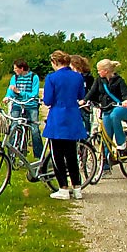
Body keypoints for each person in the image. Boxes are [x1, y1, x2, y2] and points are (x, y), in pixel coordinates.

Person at [43, 51, 87, 200]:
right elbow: (81, 96)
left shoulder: (52, 78)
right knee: (72, 154)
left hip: (58, 117)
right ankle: (77, 187)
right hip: (73, 116)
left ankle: (63, 188)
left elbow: (48, 100)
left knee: (57, 155)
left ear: (55, 62)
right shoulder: (78, 77)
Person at [78, 59, 127, 172]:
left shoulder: (119, 80)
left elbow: (125, 93)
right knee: (106, 137)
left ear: (106, 71)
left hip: (119, 108)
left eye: (99, 70)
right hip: (106, 109)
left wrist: (126, 100)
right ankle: (106, 164)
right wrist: (84, 101)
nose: (98, 72)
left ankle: (121, 144)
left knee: (114, 116)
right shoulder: (99, 80)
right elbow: (92, 92)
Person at [2, 58, 43, 160]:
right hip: (17, 105)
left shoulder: (34, 77)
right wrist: (7, 96)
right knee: (13, 127)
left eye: (16, 68)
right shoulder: (14, 78)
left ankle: (38, 156)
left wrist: (20, 92)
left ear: (22, 68)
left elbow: (34, 94)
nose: (14, 70)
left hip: (31, 105)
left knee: (35, 130)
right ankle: (10, 156)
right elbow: (10, 90)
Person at [70, 54, 95, 135]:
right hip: (74, 103)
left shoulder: (87, 76)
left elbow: (91, 90)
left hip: (85, 105)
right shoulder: (71, 76)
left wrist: (86, 100)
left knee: (86, 124)